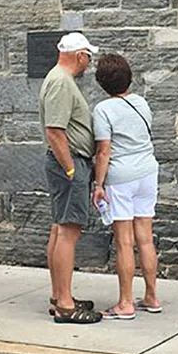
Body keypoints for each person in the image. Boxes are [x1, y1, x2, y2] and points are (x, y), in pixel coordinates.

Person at [90, 54, 161, 320]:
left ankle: (125, 302)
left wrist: (99, 184)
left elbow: (104, 150)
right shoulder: (141, 102)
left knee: (124, 242)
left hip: (121, 176)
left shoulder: (103, 110)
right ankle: (152, 296)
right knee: (145, 236)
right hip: (147, 172)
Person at [39, 32, 101, 324]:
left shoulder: (59, 80)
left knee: (59, 228)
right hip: (69, 162)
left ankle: (59, 295)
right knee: (68, 231)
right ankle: (64, 303)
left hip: (68, 162)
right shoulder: (61, 82)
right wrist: (72, 169)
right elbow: (55, 130)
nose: (89, 63)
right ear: (80, 55)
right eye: (89, 56)